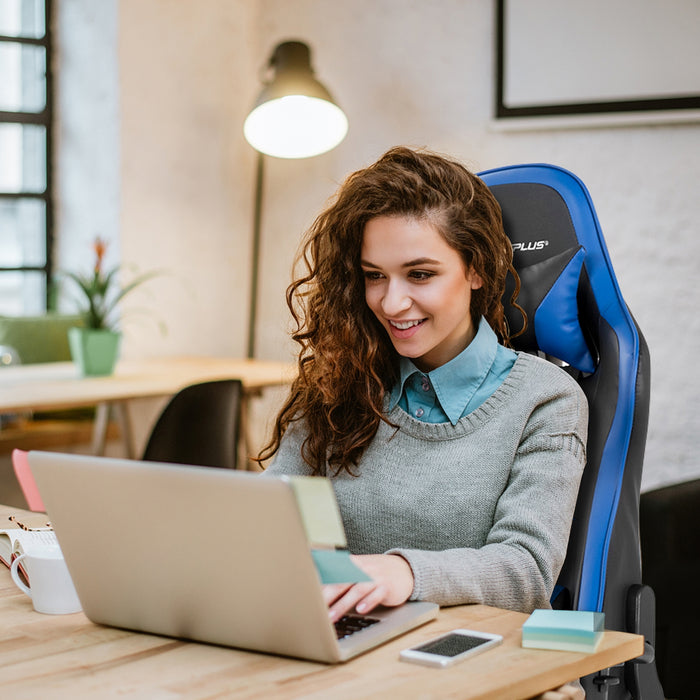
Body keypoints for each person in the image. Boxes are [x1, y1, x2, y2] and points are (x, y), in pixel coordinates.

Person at [259, 146, 588, 625]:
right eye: (375, 276)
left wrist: (402, 572)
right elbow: (272, 513)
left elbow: (525, 570)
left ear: (477, 268)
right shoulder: (341, 382)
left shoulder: (545, 400)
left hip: (470, 660)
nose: (392, 303)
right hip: (344, 642)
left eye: (420, 274)